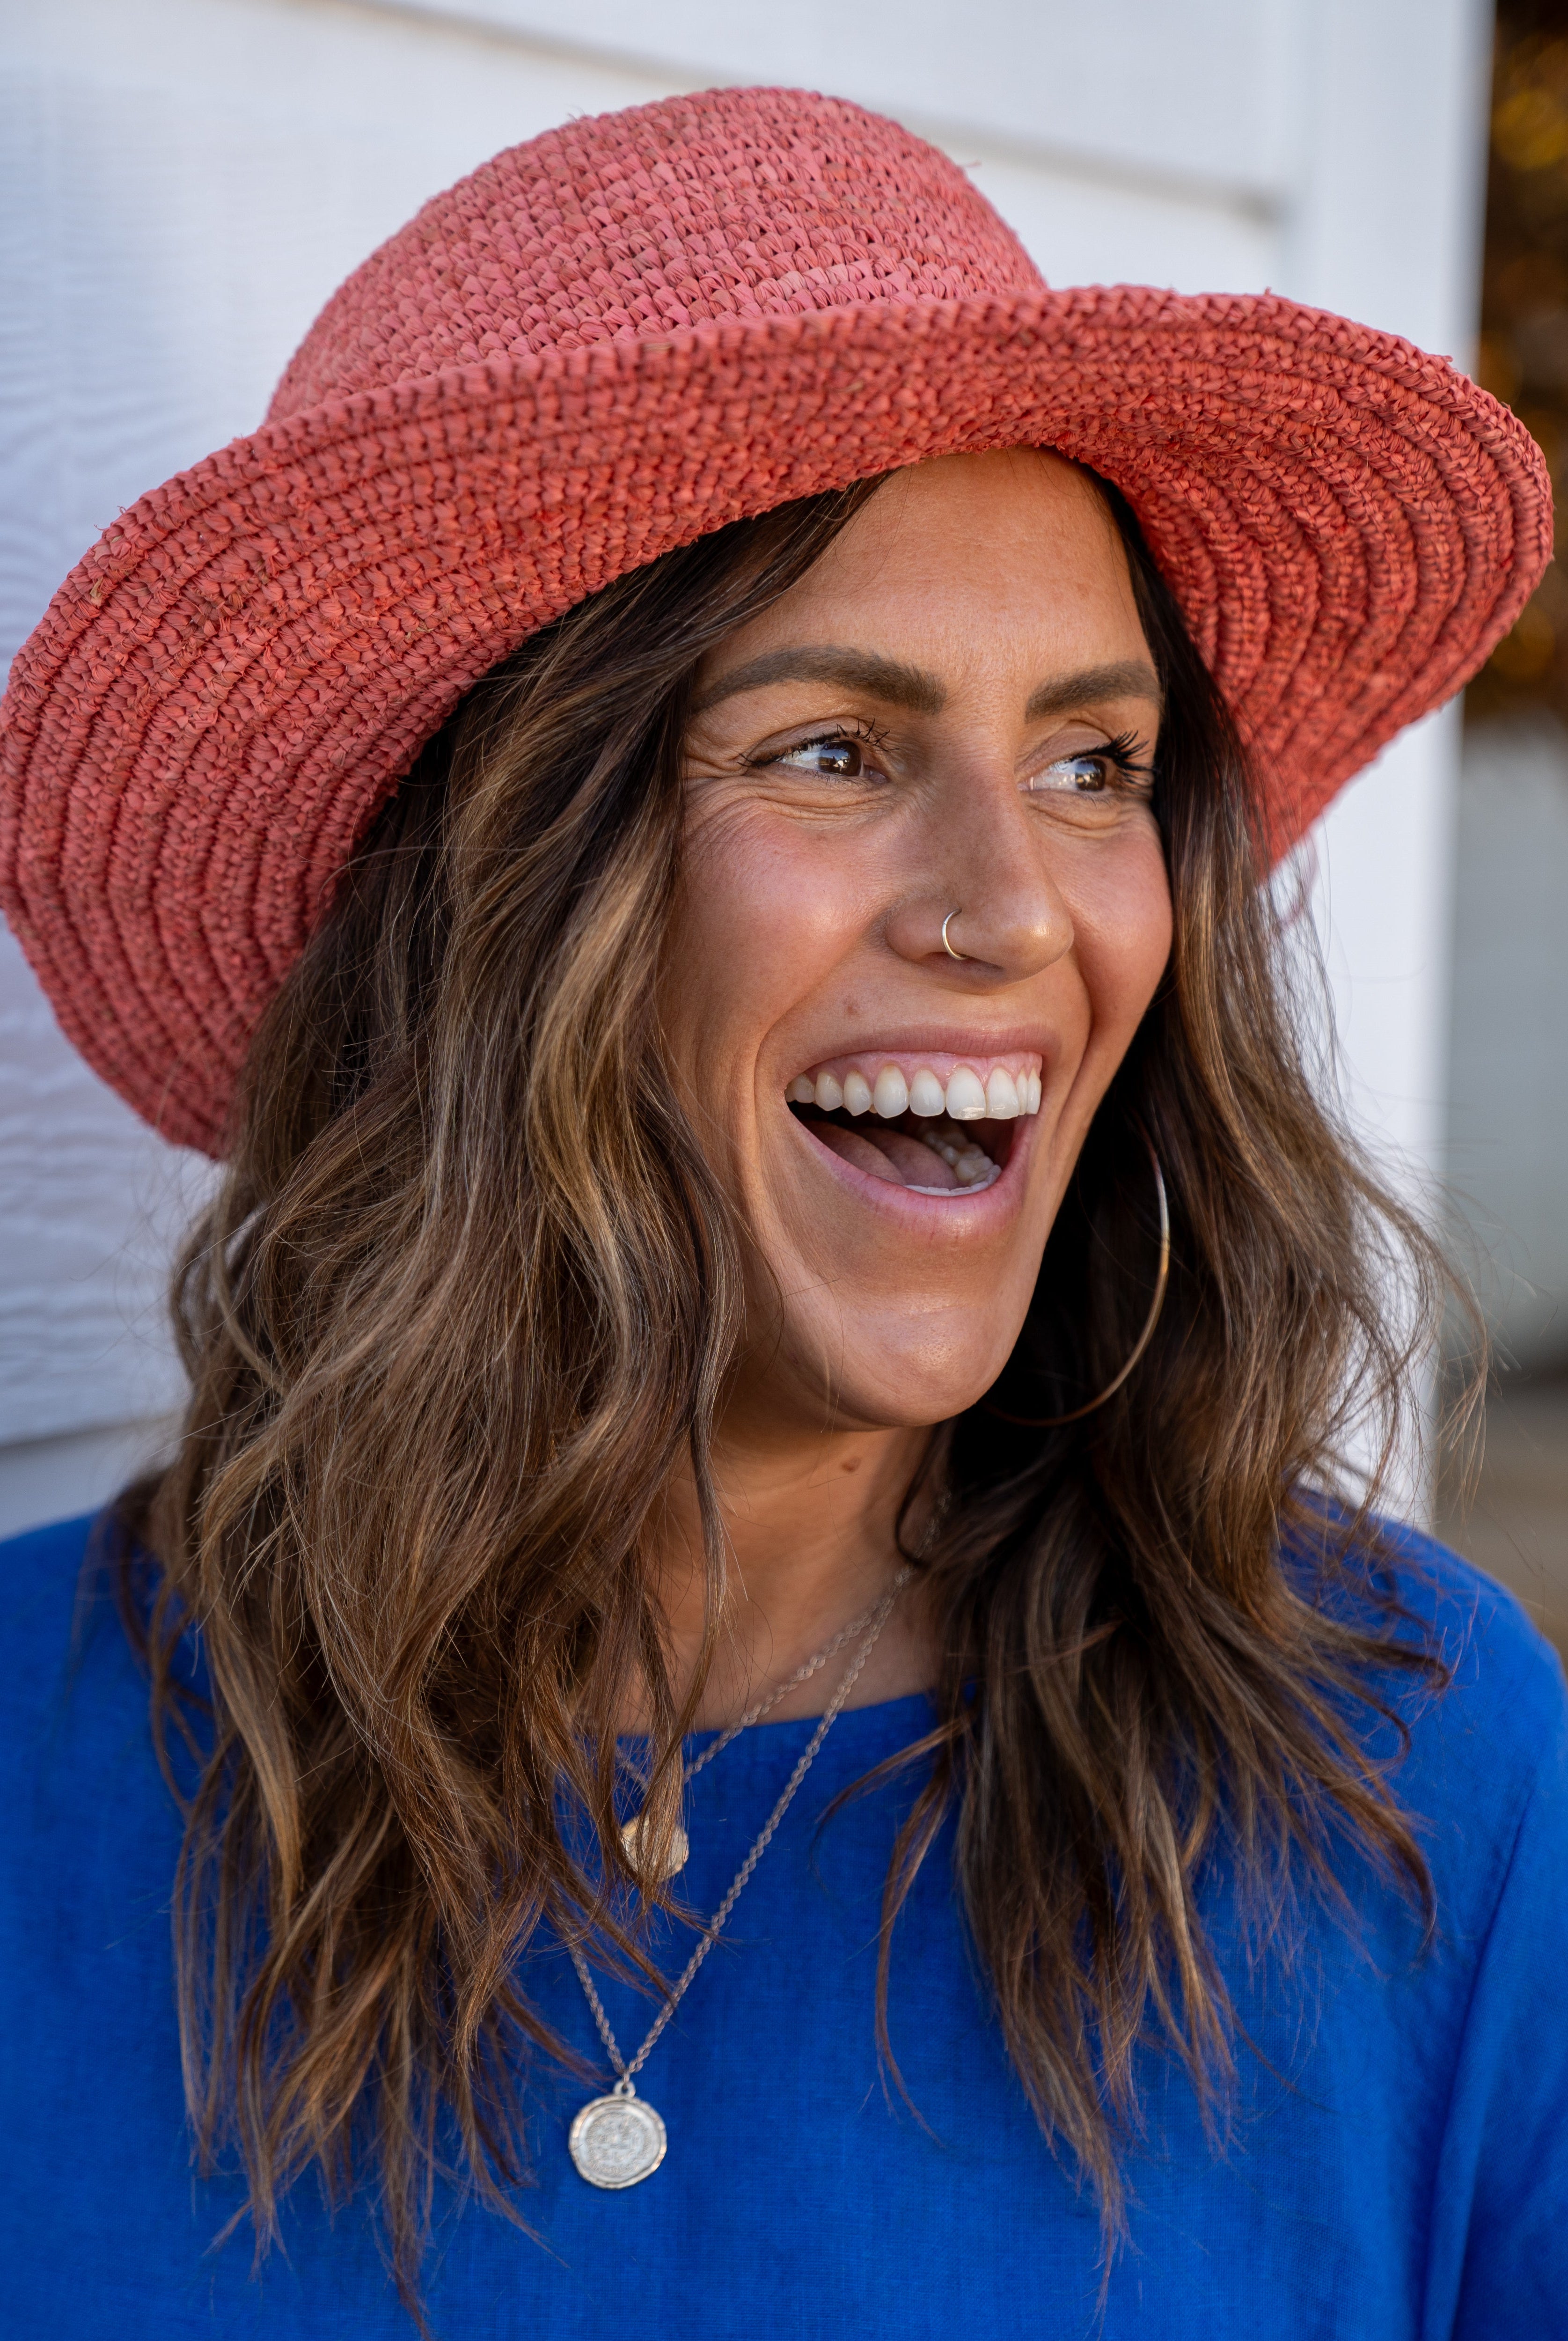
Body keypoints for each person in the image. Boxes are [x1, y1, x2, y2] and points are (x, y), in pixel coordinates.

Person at [0, 85, 1563, 2341]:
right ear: (483, 898)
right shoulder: (46, 1765)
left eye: (1092, 764)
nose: (1014, 908)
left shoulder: (1415, 1784)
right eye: (830, 748)